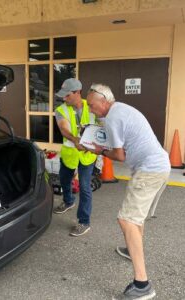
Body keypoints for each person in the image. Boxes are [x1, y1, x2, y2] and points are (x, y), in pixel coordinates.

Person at [86, 83, 171, 300]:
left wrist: (99, 151)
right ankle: (130, 249)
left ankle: (142, 285)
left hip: (149, 169)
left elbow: (119, 156)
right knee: (136, 218)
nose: (91, 109)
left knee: (127, 220)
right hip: (159, 165)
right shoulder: (120, 109)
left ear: (104, 101)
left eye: (92, 105)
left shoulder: (114, 117)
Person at [53, 78, 97, 237]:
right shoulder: (61, 110)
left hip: (87, 155)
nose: (64, 98)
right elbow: (64, 129)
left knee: (85, 188)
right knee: (64, 180)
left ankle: (84, 222)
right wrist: (74, 139)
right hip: (70, 154)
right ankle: (68, 201)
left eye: (67, 95)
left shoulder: (92, 106)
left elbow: (101, 127)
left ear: (78, 92)